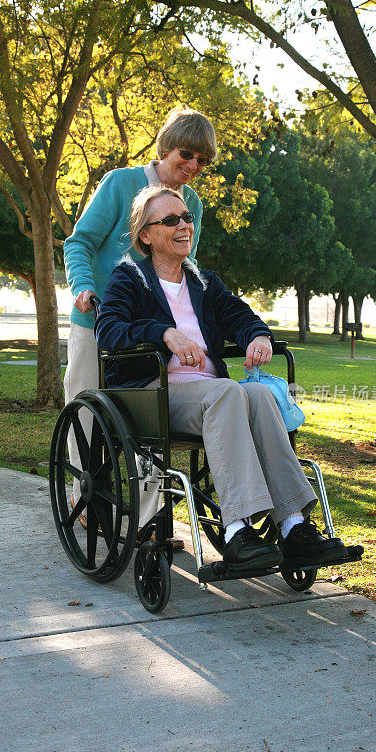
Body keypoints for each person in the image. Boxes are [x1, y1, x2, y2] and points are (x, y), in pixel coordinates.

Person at [95, 186, 349, 570]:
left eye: (187, 218)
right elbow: (108, 331)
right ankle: (235, 529)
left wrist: (258, 335)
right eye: (170, 220)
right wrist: (163, 333)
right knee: (228, 393)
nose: (183, 226)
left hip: (212, 394)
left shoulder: (203, 281)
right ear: (146, 235)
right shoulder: (129, 279)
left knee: (260, 395)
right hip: (153, 394)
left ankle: (294, 526)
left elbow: (238, 315)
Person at [63, 106, 217, 546]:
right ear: (165, 147)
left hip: (148, 332)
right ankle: (87, 500)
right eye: (186, 155)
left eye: (202, 162)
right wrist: (84, 287)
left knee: (149, 425)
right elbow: (81, 242)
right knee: (87, 417)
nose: (192, 168)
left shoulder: (194, 206)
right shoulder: (120, 183)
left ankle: (150, 524)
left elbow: (181, 263)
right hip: (97, 321)